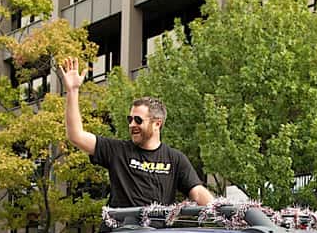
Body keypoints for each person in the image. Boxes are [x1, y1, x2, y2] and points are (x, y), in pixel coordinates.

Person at [61, 57, 214, 208]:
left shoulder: (175, 159)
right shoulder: (117, 151)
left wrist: (222, 212)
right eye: (130, 119)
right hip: (121, 231)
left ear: (157, 124)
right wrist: (73, 91)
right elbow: (76, 135)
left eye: (138, 120)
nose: (132, 124)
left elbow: (198, 192)